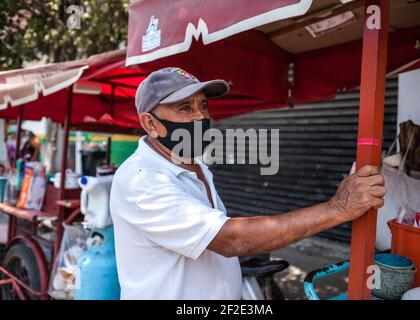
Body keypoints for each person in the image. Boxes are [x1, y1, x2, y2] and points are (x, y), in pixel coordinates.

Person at [110, 67, 386, 300]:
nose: (201, 117)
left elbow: (211, 235)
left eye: (203, 105)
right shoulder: (142, 180)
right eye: (185, 108)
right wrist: (338, 208)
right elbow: (230, 239)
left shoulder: (193, 163)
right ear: (150, 123)